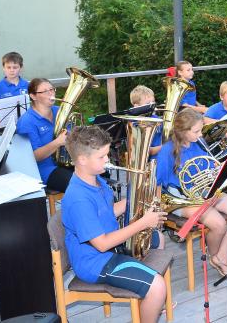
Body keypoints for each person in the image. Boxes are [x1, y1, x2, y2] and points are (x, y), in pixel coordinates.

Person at [61, 126, 168, 323]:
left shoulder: (95, 180)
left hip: (110, 248)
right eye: (102, 157)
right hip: (96, 262)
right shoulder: (78, 199)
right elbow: (101, 244)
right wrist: (143, 222)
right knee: (158, 286)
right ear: (82, 160)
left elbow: (105, 213)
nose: (107, 160)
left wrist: (137, 201)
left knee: (157, 238)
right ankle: (151, 298)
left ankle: (149, 302)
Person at [156, 108, 227, 276]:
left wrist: (218, 170)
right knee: (218, 224)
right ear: (182, 131)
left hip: (202, 192)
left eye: (200, 129)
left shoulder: (197, 143)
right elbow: (157, 184)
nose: (201, 134)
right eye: (196, 131)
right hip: (181, 198)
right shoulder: (167, 152)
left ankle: (220, 257)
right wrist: (159, 211)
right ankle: (214, 254)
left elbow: (208, 166)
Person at [16, 78, 73, 192]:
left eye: (52, 89)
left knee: (98, 173)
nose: (51, 93)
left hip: (67, 162)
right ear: (33, 96)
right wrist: (57, 142)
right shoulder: (27, 121)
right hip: (45, 169)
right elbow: (34, 157)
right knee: (78, 184)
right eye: (45, 91)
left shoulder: (60, 111)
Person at [0, 51, 29, 125]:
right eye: (8, 67)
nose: (11, 70)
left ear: (21, 68)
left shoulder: (27, 85)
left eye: (15, 67)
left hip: (24, 122)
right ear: (3, 68)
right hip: (5, 124)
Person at [129, 85, 163, 157]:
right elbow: (144, 151)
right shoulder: (134, 124)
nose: (152, 106)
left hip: (160, 157)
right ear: (136, 106)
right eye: (148, 103)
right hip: (147, 162)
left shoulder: (156, 118)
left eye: (153, 102)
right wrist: (166, 148)